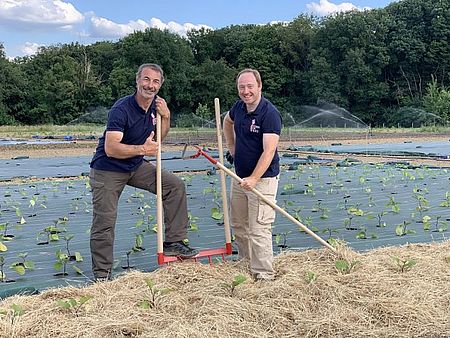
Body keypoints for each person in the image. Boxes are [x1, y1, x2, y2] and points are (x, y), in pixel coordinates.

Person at [89, 63, 198, 281]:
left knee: (174, 186)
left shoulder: (154, 108)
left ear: (161, 84)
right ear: (137, 81)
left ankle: (174, 243)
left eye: (155, 81)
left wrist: (166, 117)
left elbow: (157, 139)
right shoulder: (122, 109)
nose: (150, 85)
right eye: (146, 80)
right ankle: (102, 276)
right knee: (105, 222)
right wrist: (142, 150)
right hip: (108, 169)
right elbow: (111, 148)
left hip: (135, 165)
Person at [223, 68, 282, 281]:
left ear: (259, 87)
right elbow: (227, 122)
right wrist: (232, 148)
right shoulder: (238, 108)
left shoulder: (270, 114)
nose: (246, 91)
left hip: (262, 181)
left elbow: (269, 151)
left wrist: (255, 178)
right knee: (239, 225)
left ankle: (264, 275)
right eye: (242, 87)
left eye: (250, 86)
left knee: (259, 229)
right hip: (240, 178)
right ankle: (246, 266)